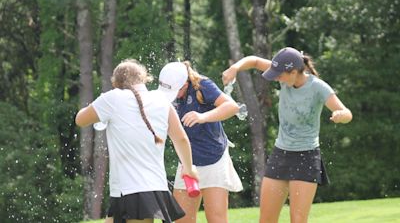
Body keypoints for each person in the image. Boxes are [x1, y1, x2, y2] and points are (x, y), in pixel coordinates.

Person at [222, 47, 353, 223]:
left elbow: (346, 112)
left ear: (293, 72)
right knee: (266, 219)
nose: (276, 78)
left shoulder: (318, 87)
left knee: (297, 219)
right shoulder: (284, 78)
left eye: (279, 74)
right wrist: (235, 68)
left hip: (306, 156)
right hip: (280, 154)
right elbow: (253, 61)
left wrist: (340, 115)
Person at [75, 59, 198, 223]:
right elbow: (181, 139)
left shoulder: (112, 98)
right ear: (145, 78)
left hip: (131, 190)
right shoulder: (162, 101)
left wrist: (101, 104)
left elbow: (80, 119)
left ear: (116, 83)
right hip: (151, 187)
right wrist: (188, 169)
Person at [157, 61, 243, 223]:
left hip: (214, 157)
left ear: (185, 83)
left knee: (216, 219)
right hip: (187, 162)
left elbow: (231, 107)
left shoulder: (203, 85)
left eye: (177, 91)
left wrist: (203, 117)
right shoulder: (166, 93)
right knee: (181, 219)